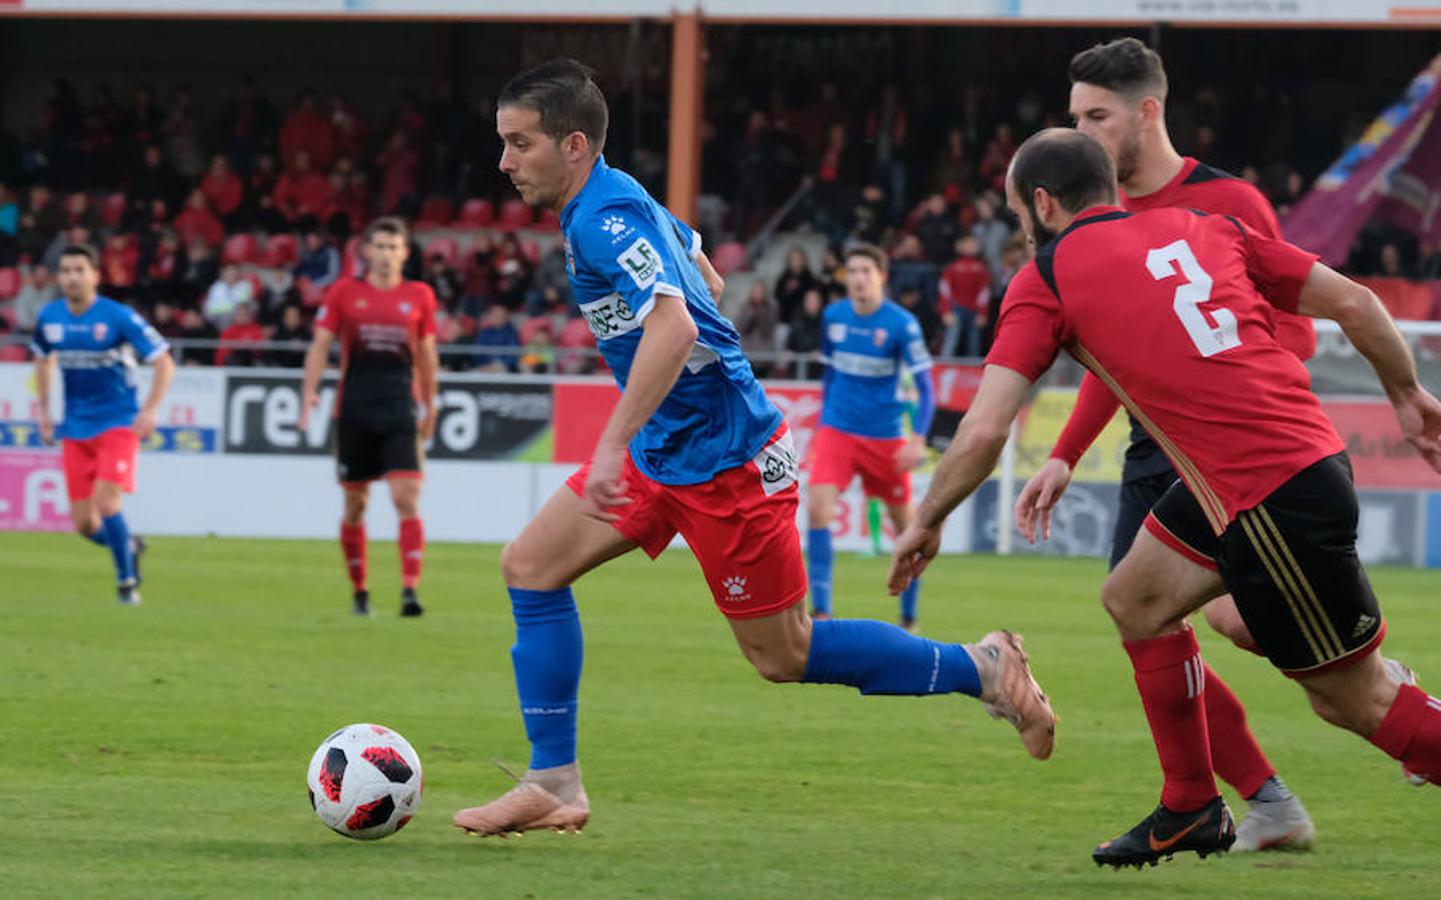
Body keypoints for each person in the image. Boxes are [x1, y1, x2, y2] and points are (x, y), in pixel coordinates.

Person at [451, 59, 1056, 839]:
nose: (503, 162)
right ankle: (554, 780)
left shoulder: (604, 220)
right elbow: (701, 269)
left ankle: (983, 668)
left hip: (725, 460)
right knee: (529, 567)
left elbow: (674, 324)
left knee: (783, 653)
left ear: (571, 145)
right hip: (667, 451)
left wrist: (610, 445)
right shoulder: (607, 196)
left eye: (518, 144)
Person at [889, 128, 1441, 870]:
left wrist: (925, 519)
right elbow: (1353, 300)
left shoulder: (1045, 276)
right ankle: (1190, 802)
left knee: (1353, 700)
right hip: (1270, 470)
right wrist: (1406, 397)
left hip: (1267, 493)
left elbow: (985, 429)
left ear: (1041, 204)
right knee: (1134, 598)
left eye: (1020, 209)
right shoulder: (1207, 228)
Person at [1016, 37, 1410, 852]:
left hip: (1239, 449)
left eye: (1095, 117)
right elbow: (1112, 349)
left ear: (1145, 112)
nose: (1082, 134)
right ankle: (1249, 798)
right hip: (1154, 454)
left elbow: (1291, 337)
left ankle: (1376, 691)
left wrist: (1210, 387)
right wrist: (1064, 450)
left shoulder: (1226, 203)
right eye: (1073, 119)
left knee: (1233, 624)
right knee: (1139, 606)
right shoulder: (1103, 216)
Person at [298, 217, 439, 618]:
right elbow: (320, 345)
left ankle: (410, 590)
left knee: (405, 498)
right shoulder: (344, 292)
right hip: (354, 411)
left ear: (405, 253)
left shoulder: (420, 295)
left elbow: (427, 356)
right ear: (365, 251)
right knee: (355, 505)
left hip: (400, 409)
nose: (386, 254)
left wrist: (433, 403)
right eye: (379, 246)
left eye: (394, 247)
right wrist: (309, 392)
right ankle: (360, 591)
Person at [31, 245, 175, 604]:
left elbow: (164, 362)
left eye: (80, 269)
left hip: (118, 422)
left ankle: (127, 584)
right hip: (76, 426)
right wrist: (46, 411)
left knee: (107, 502)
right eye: (65, 270)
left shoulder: (118, 317)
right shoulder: (50, 317)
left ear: (95, 275)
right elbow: (43, 360)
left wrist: (151, 409)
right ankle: (129, 545)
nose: (72, 277)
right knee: (84, 524)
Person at [806, 244, 934, 631]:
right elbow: (830, 376)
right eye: (852, 271)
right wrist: (819, 428)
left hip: (886, 437)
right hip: (838, 429)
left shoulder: (902, 324)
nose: (857, 278)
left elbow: (927, 390)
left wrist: (917, 439)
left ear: (882, 276)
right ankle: (822, 612)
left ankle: (909, 617)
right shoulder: (833, 316)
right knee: (816, 510)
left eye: (865, 270)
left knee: (908, 529)